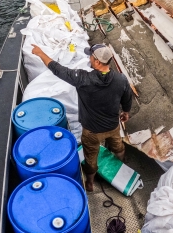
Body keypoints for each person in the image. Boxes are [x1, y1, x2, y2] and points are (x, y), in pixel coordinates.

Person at [31, 43, 132, 192]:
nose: (89, 58)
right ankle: (121, 165)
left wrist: (40, 53)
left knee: (91, 158)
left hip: (91, 132)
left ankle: (90, 184)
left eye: (91, 56)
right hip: (113, 126)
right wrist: (126, 112)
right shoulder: (121, 79)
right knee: (118, 146)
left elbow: (57, 69)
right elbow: (127, 98)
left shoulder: (83, 79)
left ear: (97, 61)